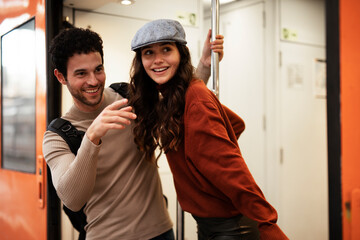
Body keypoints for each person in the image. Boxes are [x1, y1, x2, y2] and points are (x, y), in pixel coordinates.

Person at [42, 26, 224, 240]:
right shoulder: (57, 136)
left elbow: (180, 105)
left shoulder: (129, 97)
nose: (93, 81)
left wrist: (205, 65)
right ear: (61, 77)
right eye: (81, 74)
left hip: (161, 232)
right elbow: (72, 198)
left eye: (98, 69)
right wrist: (92, 137)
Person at [129, 19, 289, 240]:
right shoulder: (174, 96)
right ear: (141, 60)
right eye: (148, 53)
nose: (157, 60)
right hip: (210, 225)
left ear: (181, 54)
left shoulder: (196, 97)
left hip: (232, 229)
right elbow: (234, 124)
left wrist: (267, 222)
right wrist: (199, 169)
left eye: (166, 49)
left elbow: (229, 166)